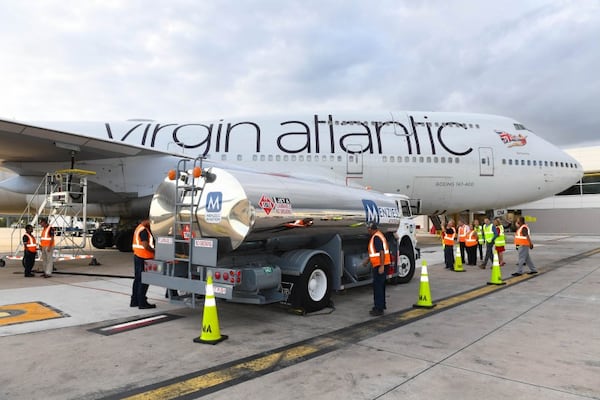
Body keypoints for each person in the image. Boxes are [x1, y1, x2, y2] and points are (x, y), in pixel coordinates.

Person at [362, 222, 390, 316]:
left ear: (371, 229)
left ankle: (378, 308)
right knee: (380, 286)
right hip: (380, 264)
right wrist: (367, 261)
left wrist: (381, 266)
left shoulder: (376, 237)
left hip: (380, 265)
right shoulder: (378, 235)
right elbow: (376, 253)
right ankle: (381, 305)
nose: (368, 231)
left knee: (378, 287)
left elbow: (381, 252)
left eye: (368, 229)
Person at [131, 219, 156, 309]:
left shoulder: (139, 228)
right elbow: (145, 245)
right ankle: (142, 302)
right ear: (145, 220)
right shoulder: (144, 230)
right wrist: (155, 251)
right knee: (144, 281)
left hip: (138, 256)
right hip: (144, 257)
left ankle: (134, 301)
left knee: (137, 280)